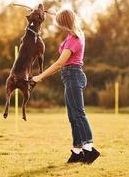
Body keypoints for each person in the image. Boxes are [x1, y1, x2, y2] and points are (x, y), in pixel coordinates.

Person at [32, 9, 100, 164]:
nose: (57, 26)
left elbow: (60, 63)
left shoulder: (73, 40)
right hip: (70, 76)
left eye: (59, 23)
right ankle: (77, 151)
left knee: (78, 114)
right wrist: (53, 13)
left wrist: (40, 77)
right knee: (72, 116)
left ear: (64, 23)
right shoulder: (76, 34)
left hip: (73, 76)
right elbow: (68, 17)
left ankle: (90, 149)